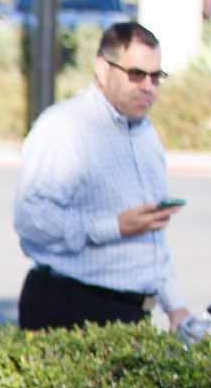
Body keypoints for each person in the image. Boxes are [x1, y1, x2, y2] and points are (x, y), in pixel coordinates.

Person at [13, 21, 190, 332]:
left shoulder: (145, 135)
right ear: (102, 69)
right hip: (71, 305)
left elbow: (151, 236)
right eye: (136, 74)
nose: (148, 87)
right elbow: (33, 220)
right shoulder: (64, 128)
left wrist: (175, 306)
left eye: (156, 77)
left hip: (132, 312)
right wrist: (114, 227)